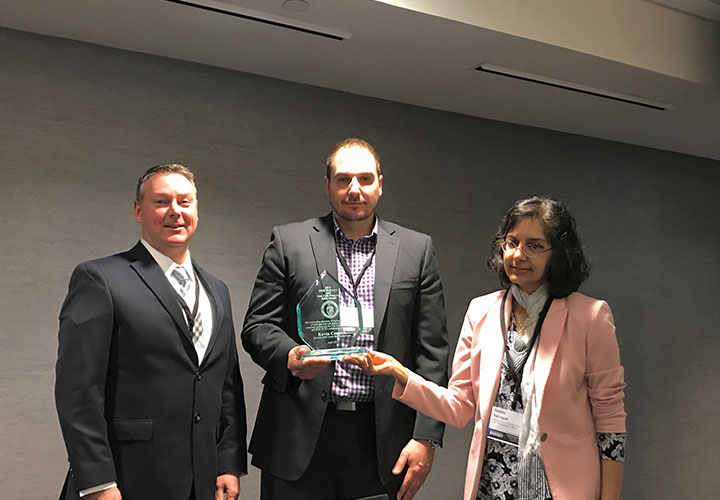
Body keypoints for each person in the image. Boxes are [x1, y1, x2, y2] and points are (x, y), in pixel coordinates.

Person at [348, 196, 627, 500]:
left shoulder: (590, 316)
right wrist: (400, 373)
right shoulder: (481, 311)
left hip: (560, 487)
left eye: (534, 246)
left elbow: (610, 421)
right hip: (493, 485)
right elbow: (458, 407)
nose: (518, 254)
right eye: (512, 242)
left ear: (558, 255)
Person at [241, 138, 450, 500]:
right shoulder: (288, 241)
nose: (354, 190)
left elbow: (432, 350)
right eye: (343, 179)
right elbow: (258, 325)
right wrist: (290, 356)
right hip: (297, 432)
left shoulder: (417, 250)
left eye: (365, 179)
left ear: (380, 184)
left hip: (382, 440)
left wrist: (426, 436)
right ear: (328, 185)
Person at [55, 164, 247, 500]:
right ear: (138, 211)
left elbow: (226, 386)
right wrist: (98, 482)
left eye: (185, 202)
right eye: (162, 202)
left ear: (196, 211)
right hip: (127, 480)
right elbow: (78, 391)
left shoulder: (218, 290)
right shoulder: (100, 279)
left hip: (201, 482)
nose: (175, 211)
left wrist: (227, 462)